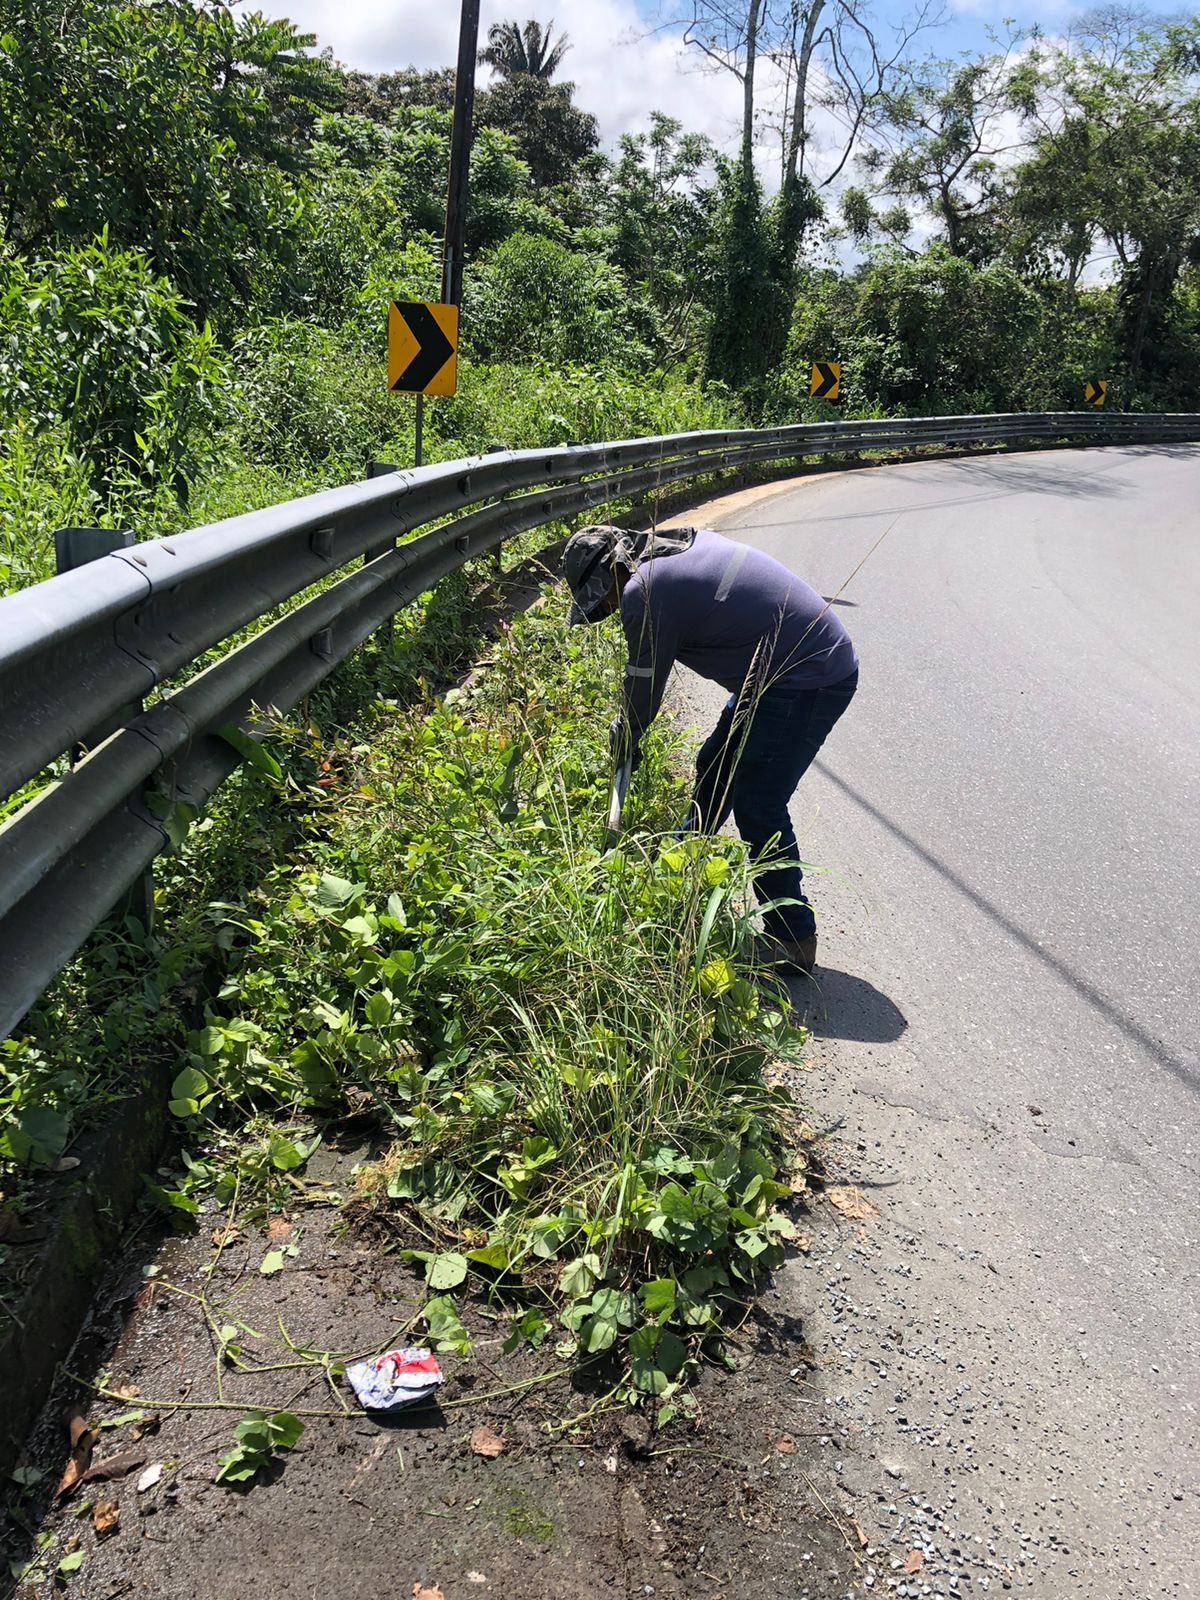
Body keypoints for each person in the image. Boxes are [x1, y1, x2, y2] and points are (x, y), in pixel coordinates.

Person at [562, 523, 858, 974]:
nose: (608, 609)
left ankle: (793, 938)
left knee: (759, 803)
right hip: (775, 674)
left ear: (612, 573)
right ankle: (675, 873)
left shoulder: (644, 590)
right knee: (716, 767)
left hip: (806, 676)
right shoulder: (668, 550)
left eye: (603, 600)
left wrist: (627, 734)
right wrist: (630, 732)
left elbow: (643, 690)